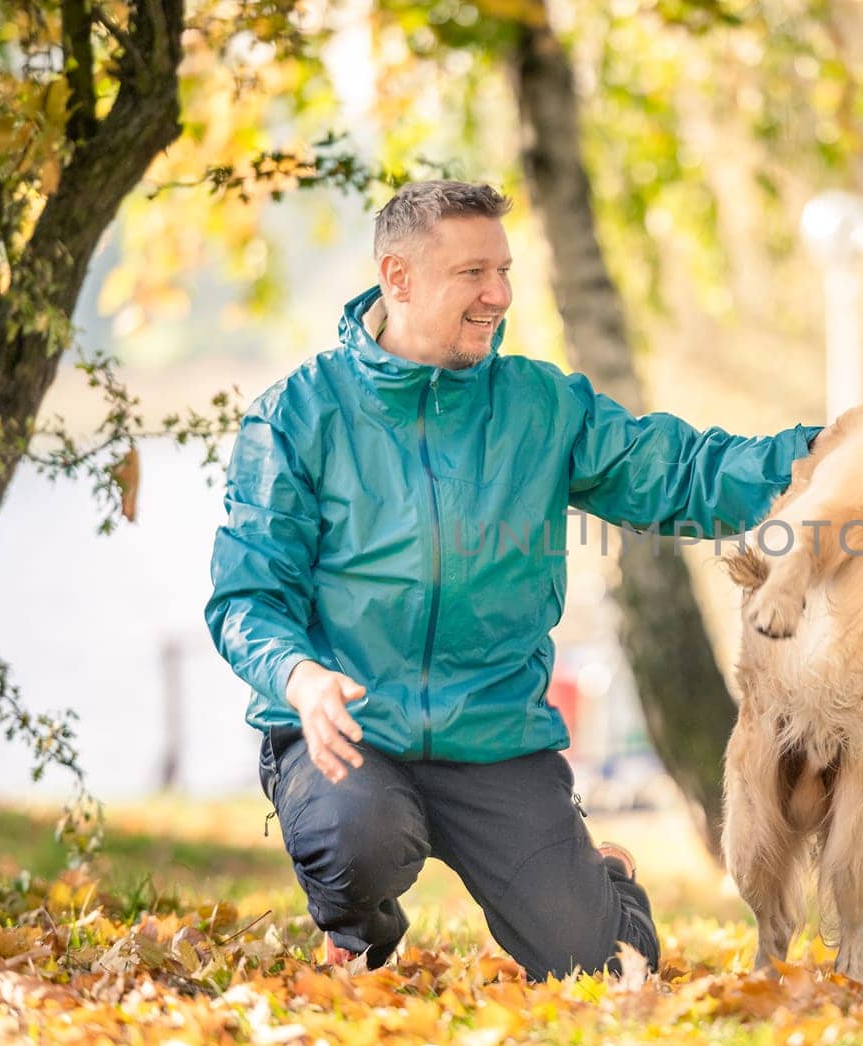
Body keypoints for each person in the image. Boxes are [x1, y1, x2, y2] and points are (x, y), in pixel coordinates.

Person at [204, 179, 819, 979]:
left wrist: (829, 456)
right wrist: (300, 674)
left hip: (495, 736)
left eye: (504, 270)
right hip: (350, 733)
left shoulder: (539, 406)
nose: (498, 295)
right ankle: (357, 927)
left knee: (604, 967)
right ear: (399, 277)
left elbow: (680, 473)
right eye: (472, 274)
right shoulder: (300, 413)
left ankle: (608, 880)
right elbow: (247, 593)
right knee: (359, 839)